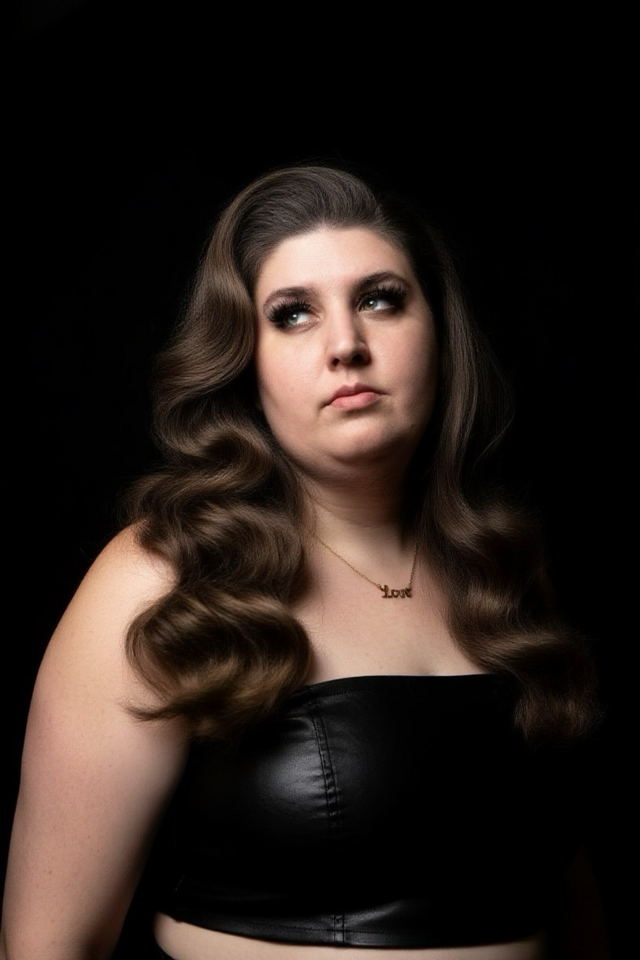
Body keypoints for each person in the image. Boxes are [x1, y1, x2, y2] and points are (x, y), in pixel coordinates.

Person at [1, 162, 610, 960]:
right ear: (245, 364)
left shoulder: (505, 575)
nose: (346, 346)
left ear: (438, 330)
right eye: (293, 315)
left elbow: (575, 910)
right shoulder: (163, 583)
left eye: (380, 299)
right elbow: (47, 944)